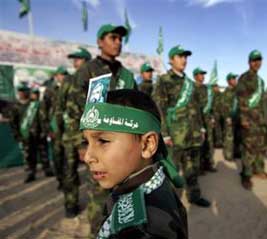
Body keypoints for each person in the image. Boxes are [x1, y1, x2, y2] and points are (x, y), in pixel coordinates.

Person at [81, 89, 188, 238]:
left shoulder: (142, 230)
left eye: (103, 141)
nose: (87, 157)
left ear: (147, 145)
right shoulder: (150, 182)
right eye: (86, 142)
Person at [67, 23, 137, 233]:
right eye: (113, 38)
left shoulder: (126, 75)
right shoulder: (87, 71)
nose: (117, 42)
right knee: (99, 202)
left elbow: (136, 109)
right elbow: (73, 110)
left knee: (125, 200)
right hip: (98, 147)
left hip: (124, 147)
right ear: (100, 42)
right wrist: (81, 144)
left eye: (120, 39)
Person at [152, 45, 211, 207]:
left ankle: (194, 195)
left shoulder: (190, 83)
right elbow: (159, 108)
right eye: (180, 56)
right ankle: (167, 202)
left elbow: (196, 108)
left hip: (192, 133)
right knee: (172, 170)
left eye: (186, 57)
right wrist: (164, 134)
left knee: (192, 167)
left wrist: (202, 128)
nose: (184, 60)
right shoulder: (164, 81)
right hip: (175, 135)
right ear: (171, 60)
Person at [57, 47, 92, 217]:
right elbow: (59, 107)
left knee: (94, 172)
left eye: (78, 59)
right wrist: (59, 132)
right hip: (71, 136)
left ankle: (97, 207)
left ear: (86, 60)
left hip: (91, 136)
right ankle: (71, 204)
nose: (75, 62)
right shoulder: (68, 80)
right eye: (74, 59)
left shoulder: (94, 80)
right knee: (69, 172)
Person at [236, 50, 267, 190]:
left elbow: (263, 102)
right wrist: (244, 119)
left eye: (259, 60)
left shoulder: (261, 81)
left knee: (260, 147)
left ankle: (259, 170)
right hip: (249, 120)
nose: (257, 63)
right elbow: (241, 100)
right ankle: (246, 175)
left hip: (260, 121)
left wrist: (266, 118)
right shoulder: (244, 78)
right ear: (249, 62)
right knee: (248, 148)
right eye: (254, 60)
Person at [193, 67, 217, 174]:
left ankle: (209, 164)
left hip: (207, 119)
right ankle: (199, 167)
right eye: (200, 74)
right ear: (195, 76)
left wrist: (212, 117)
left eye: (203, 74)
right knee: (199, 143)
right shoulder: (192, 89)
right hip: (197, 120)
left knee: (209, 142)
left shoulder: (207, 89)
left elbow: (211, 105)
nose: (203, 76)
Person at [221, 73, 238, 161]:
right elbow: (223, 106)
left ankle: (236, 153)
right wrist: (227, 117)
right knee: (229, 137)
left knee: (237, 135)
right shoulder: (226, 92)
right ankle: (228, 155)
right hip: (230, 118)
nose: (235, 80)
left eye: (235, 78)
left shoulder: (236, 92)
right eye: (233, 79)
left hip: (237, 117)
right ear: (228, 81)